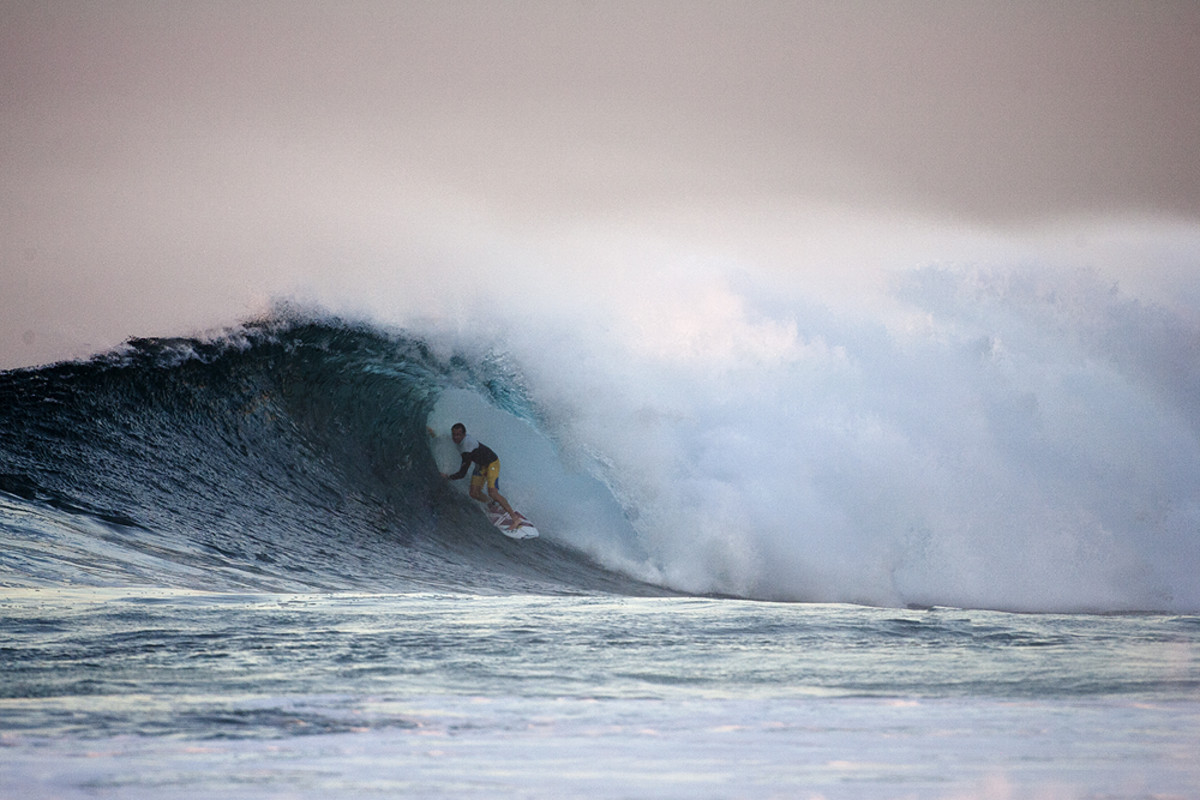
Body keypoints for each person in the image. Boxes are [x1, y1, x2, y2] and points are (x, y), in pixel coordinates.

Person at [441, 423, 522, 529]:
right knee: (474, 493)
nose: (456, 437)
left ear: (464, 435)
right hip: (481, 465)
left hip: (492, 463)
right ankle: (493, 505)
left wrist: (447, 477)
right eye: (454, 435)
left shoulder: (466, 446)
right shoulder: (459, 441)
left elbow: (462, 473)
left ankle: (515, 518)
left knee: (492, 492)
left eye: (458, 435)